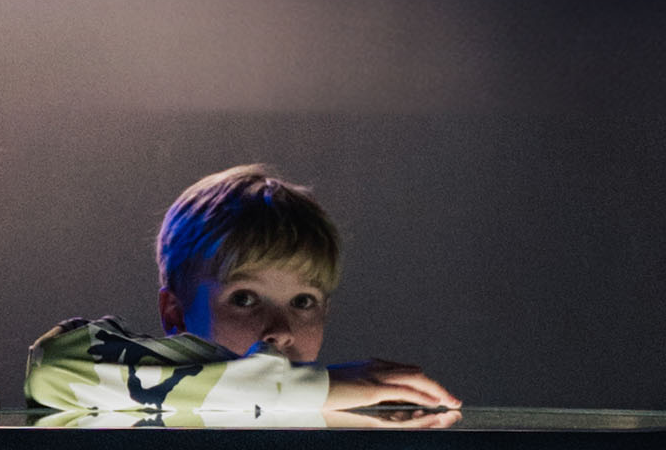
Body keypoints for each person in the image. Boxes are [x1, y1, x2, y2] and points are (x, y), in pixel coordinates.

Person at [24, 163, 455, 413]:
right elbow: (52, 369)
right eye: (245, 299)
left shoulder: (335, 422)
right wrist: (316, 388)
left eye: (303, 301)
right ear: (174, 311)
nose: (279, 329)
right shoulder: (137, 388)